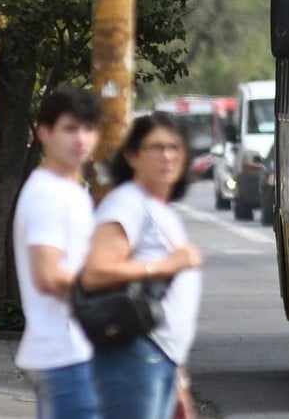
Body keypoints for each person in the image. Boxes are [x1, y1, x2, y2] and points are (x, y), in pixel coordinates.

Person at [80, 112, 203, 419]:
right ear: (132, 156)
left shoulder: (160, 209)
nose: (167, 156)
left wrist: (180, 381)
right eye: (156, 147)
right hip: (135, 352)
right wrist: (163, 266)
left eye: (175, 148)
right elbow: (94, 273)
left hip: (160, 357)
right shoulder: (127, 203)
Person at [13, 85, 102, 418]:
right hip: (62, 354)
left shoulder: (70, 191)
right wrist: (109, 287)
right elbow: (48, 275)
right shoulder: (47, 194)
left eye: (88, 128)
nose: (80, 138)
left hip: (74, 350)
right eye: (70, 128)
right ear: (44, 133)